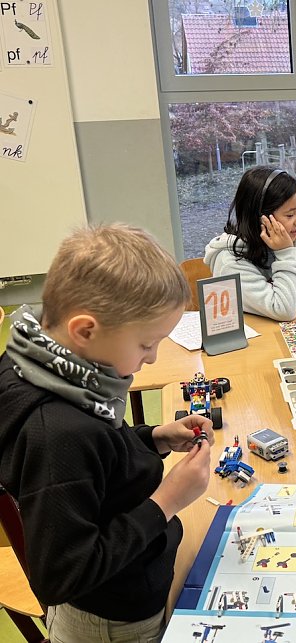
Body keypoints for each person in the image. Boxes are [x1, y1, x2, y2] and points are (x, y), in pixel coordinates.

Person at [0, 224, 214, 642]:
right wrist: (166, 501)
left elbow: (94, 461)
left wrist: (152, 437)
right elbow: (64, 574)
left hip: (124, 593)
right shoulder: (58, 430)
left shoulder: (46, 365)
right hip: (112, 622)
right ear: (84, 330)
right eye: (145, 344)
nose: (151, 358)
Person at [204, 166, 296, 321]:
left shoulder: (280, 245)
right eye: (290, 214)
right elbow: (283, 311)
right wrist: (285, 254)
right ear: (262, 218)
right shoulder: (230, 262)